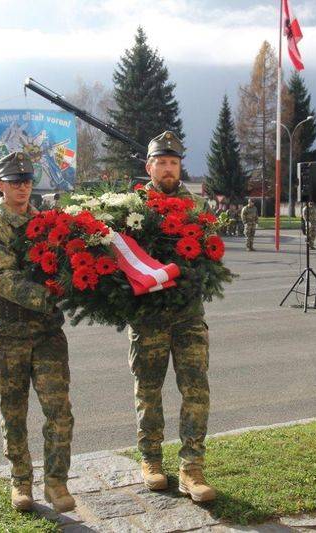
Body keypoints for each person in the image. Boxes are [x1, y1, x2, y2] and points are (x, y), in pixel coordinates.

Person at [0, 151, 75, 512]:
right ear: (0, 186)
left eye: (27, 181)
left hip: (47, 334)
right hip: (9, 333)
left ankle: (57, 483)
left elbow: (66, 260)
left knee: (59, 410)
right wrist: (54, 295)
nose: (22, 187)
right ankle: (21, 482)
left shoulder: (47, 223)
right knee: (13, 412)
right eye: (15, 182)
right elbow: (1, 279)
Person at [130, 131, 216, 502]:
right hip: (147, 318)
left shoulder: (197, 208)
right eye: (161, 162)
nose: (167, 169)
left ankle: (191, 468)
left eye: (173, 163)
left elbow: (211, 257)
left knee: (196, 391)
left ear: (180, 167)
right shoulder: (130, 207)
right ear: (149, 166)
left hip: (188, 317)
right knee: (149, 392)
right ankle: (151, 460)